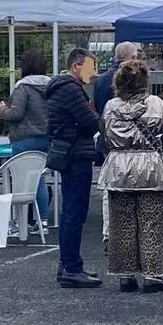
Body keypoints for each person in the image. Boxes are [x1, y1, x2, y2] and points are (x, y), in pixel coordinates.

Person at [99, 59, 163, 293]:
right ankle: (153, 277)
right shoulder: (157, 104)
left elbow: (103, 133)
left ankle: (126, 276)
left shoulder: (111, 106)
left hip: (118, 168)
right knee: (152, 223)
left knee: (122, 224)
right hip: (151, 168)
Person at [45, 48, 102, 288]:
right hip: (76, 153)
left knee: (70, 211)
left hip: (68, 152)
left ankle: (68, 263)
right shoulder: (71, 89)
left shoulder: (60, 88)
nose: (94, 73)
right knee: (74, 213)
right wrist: (97, 116)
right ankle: (71, 267)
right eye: (91, 67)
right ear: (77, 66)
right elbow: (90, 123)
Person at [93, 42, 138, 252]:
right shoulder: (132, 79)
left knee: (109, 189)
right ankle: (128, 235)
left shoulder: (100, 80)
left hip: (107, 139)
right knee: (131, 188)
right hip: (129, 140)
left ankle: (108, 233)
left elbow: (99, 110)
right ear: (131, 57)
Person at [1, 50, 51, 232]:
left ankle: (18, 223)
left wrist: (2, 111)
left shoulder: (22, 87)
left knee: (20, 181)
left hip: (24, 138)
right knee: (40, 180)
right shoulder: (51, 85)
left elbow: (16, 114)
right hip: (45, 138)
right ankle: (42, 221)